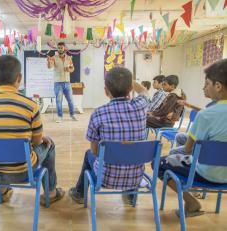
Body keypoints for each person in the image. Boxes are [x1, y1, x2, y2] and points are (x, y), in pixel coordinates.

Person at [0, 55, 65, 204]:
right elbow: (37, 141)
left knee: (0, 145)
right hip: (22, 172)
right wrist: (41, 138)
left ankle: (2, 190)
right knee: (49, 144)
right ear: (19, 78)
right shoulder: (30, 105)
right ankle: (50, 193)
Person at [154, 58, 227, 217]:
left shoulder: (206, 115)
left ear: (218, 86)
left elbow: (188, 149)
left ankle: (191, 202)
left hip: (207, 174)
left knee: (158, 163)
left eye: (207, 84)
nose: (204, 87)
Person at [69, 67, 149, 204]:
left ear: (106, 91)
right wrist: (128, 81)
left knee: (89, 154)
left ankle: (80, 194)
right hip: (136, 177)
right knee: (131, 158)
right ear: (130, 89)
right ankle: (130, 196)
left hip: (106, 178)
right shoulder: (140, 106)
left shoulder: (98, 113)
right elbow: (144, 91)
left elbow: (95, 151)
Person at [47, 41, 77, 123]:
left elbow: (72, 68)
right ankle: (60, 117)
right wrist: (49, 62)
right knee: (58, 101)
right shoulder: (54, 58)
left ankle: (72, 115)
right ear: (57, 48)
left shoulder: (69, 58)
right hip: (58, 83)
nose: (60, 49)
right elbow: (50, 67)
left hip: (67, 82)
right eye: (59, 48)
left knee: (70, 100)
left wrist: (69, 69)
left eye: (61, 47)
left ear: (64, 48)